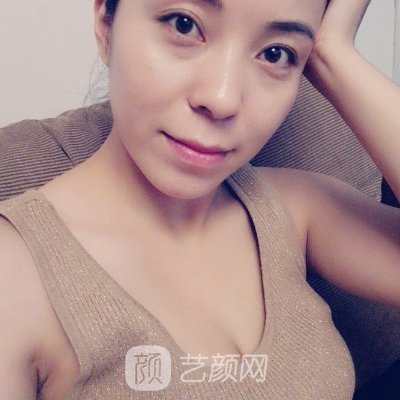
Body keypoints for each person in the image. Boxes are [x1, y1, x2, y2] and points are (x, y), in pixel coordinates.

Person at [0, 0, 399, 398]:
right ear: (106, 25)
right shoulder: (15, 275)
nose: (222, 98)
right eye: (184, 25)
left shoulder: (295, 208)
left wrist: (334, 53)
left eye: (276, 54)